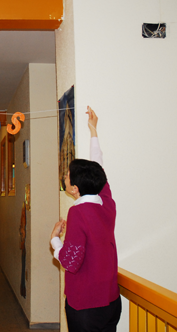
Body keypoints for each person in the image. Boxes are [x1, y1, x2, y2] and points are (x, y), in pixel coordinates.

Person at [50, 107, 121, 332]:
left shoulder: (78, 213)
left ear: (75, 188)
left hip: (86, 307)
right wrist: (93, 131)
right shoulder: (107, 203)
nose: (65, 177)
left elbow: (71, 262)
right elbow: (99, 169)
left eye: (68, 175)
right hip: (111, 302)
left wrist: (55, 240)